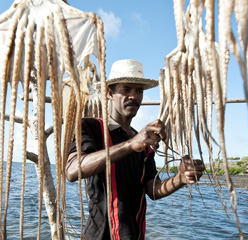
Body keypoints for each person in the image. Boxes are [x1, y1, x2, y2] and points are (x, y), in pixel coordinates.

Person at [66, 59, 205, 240]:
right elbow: (73, 170)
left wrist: (180, 178)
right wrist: (131, 144)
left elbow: (152, 189)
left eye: (139, 91)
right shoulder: (90, 127)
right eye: (126, 89)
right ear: (110, 93)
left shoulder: (145, 143)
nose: (133, 96)